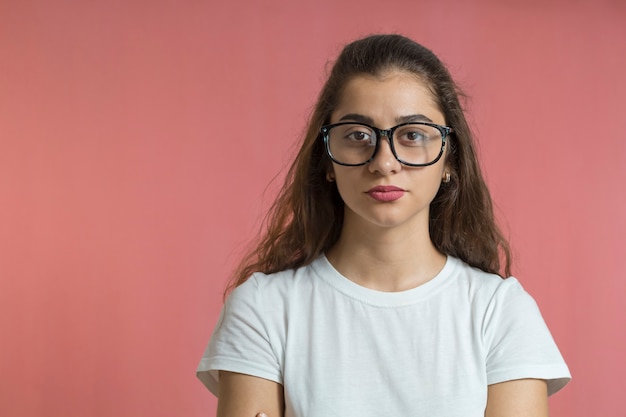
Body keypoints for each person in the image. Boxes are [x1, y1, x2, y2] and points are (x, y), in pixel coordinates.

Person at [197, 34, 571, 417]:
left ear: (450, 161)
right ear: (326, 159)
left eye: (412, 135)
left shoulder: (501, 312)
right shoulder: (264, 308)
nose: (384, 162)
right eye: (358, 135)